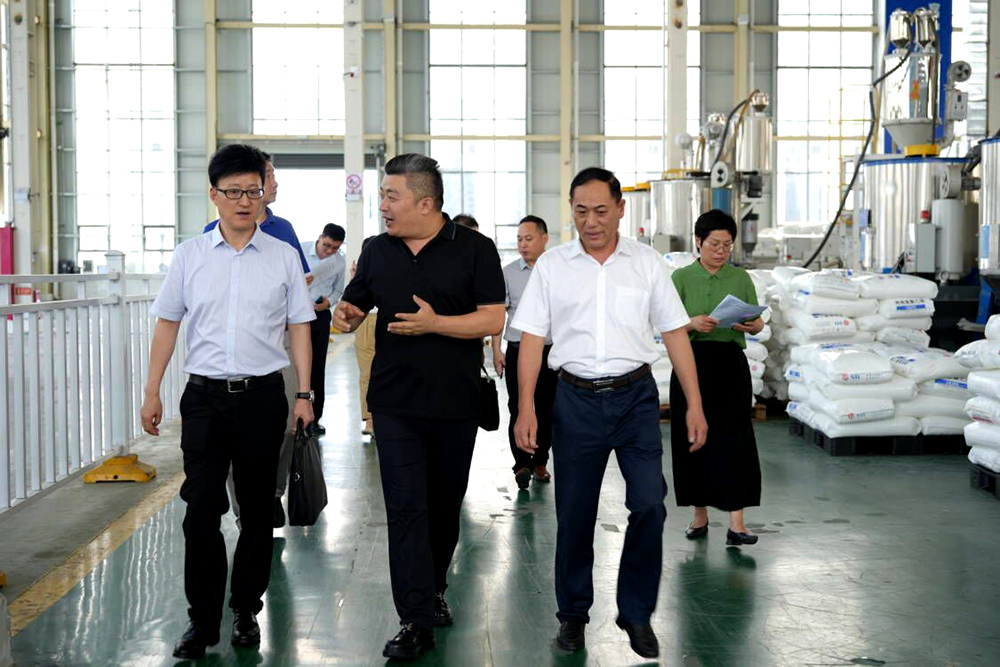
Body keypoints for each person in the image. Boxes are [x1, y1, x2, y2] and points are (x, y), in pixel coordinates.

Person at [512, 167, 708, 660]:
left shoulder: (647, 263)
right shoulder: (553, 266)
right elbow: (532, 340)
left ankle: (636, 612)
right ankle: (573, 616)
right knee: (574, 514)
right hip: (574, 401)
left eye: (601, 211)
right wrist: (526, 408)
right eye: (581, 211)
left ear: (621, 209)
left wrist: (695, 404)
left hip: (635, 399)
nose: (591, 221)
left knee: (649, 503)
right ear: (571, 212)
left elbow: (674, 333)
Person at [140, 144, 315, 660]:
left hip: (262, 397)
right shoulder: (189, 255)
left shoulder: (283, 256)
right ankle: (202, 620)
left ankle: (245, 610)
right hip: (204, 399)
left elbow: (299, 328)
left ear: (264, 194)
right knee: (200, 509)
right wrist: (152, 390)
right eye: (233, 192)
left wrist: (304, 394)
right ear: (213, 194)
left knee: (258, 509)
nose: (244, 201)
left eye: (253, 191)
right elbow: (168, 323)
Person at [333, 154, 505, 660]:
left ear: (425, 203)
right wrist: (345, 314)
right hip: (394, 403)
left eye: (391, 196)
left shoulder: (474, 249)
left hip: (454, 403)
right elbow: (354, 305)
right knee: (406, 508)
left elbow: (492, 319)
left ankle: (433, 590)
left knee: (443, 507)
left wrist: (437, 325)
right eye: (381, 195)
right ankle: (414, 617)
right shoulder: (377, 250)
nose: (382, 206)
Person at [206, 153, 308, 530]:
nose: (274, 184)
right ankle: (244, 508)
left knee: (286, 424)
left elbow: (300, 282)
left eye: (268, 180)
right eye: (270, 176)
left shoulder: (284, 231)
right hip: (234, 349)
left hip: (280, 343)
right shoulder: (209, 234)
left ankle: (272, 491)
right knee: (234, 436)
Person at [669, 209, 763, 547]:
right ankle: (699, 514)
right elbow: (665, 325)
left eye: (727, 245)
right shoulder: (681, 278)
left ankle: (737, 523)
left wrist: (753, 325)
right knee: (694, 439)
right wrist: (692, 323)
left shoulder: (740, 279)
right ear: (698, 241)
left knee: (735, 440)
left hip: (729, 364)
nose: (721, 251)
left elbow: (757, 321)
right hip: (690, 364)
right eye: (714, 244)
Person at [491, 215, 556, 490]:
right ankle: (521, 464)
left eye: (528, 239)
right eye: (519, 239)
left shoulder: (557, 271)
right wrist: (496, 349)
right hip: (517, 349)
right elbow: (499, 314)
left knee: (546, 408)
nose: (523, 245)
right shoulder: (508, 273)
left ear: (544, 239)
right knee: (518, 406)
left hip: (550, 351)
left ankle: (540, 461)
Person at [301, 223, 347, 435]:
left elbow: (338, 290)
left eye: (335, 248)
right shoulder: (300, 250)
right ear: (320, 238)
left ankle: (314, 418)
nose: (329, 251)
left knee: (317, 367)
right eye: (326, 245)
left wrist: (328, 303)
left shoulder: (339, 262)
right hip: (296, 316)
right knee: (296, 365)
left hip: (319, 315)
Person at [352, 236, 378, 437]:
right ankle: (370, 418)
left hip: (381, 319)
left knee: (370, 373)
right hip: (367, 319)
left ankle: (375, 418)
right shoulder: (361, 271)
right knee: (368, 373)